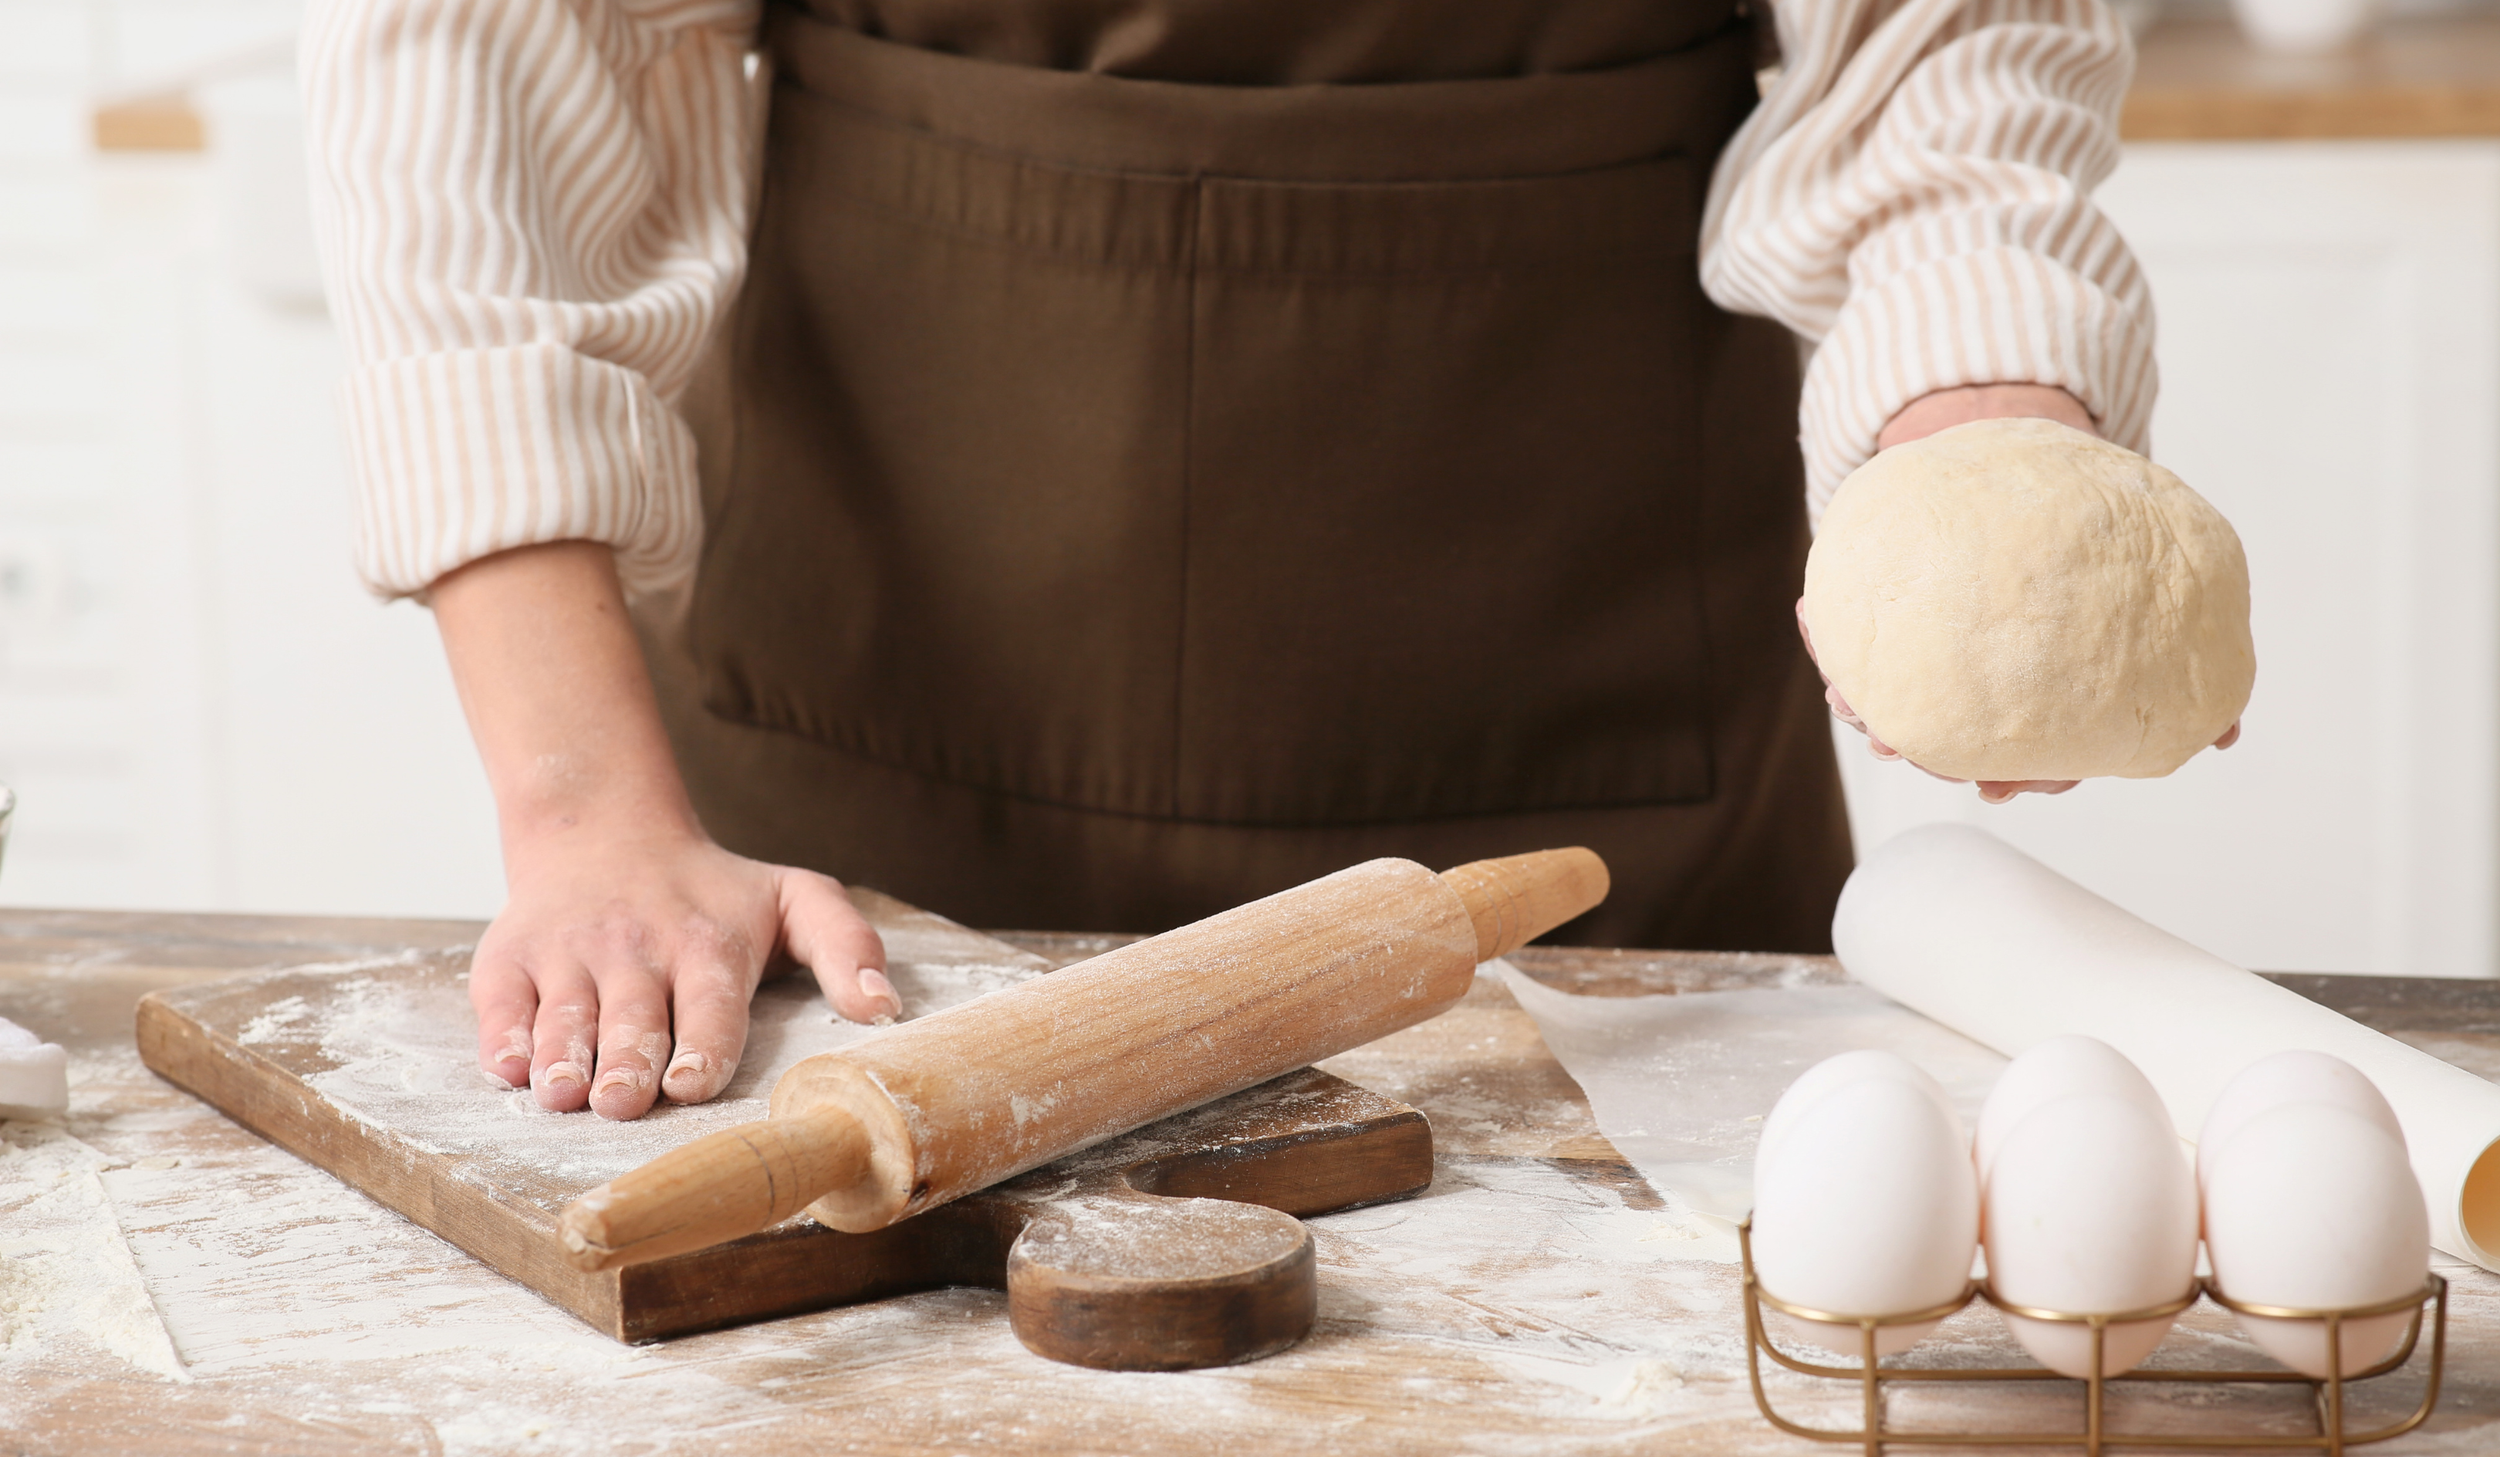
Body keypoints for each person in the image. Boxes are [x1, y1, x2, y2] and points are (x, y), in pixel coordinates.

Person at [305, 0, 2161, 1120]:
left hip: (1614, 779)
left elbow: (1949, 53)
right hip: (860, 814)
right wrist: (582, 815)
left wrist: (1977, 447)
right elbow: (494, 67)